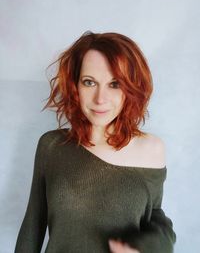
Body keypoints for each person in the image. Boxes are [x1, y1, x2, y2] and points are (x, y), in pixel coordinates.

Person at [14, 31, 176, 253]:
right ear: (75, 86)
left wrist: (147, 247)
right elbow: (32, 227)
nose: (100, 98)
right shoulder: (51, 146)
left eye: (115, 84)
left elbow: (155, 215)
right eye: (89, 82)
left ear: (131, 88)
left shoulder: (152, 149)